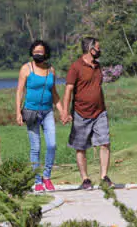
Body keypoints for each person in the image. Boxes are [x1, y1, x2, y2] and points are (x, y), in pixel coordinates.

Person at [62, 37, 115, 190]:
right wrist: (65, 112)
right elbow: (68, 90)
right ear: (90, 49)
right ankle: (85, 179)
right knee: (81, 147)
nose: (99, 51)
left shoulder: (98, 66)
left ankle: (104, 176)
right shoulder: (75, 67)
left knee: (105, 142)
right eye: (98, 48)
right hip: (81, 112)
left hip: (100, 112)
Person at [16, 40, 64, 193]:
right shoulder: (26, 68)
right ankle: (37, 181)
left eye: (40, 52)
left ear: (46, 53)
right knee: (35, 148)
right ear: (32, 52)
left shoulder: (51, 70)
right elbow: (19, 91)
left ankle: (47, 177)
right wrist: (18, 112)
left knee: (52, 145)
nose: (37, 54)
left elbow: (54, 93)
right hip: (31, 113)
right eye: (35, 51)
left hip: (47, 112)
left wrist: (62, 111)